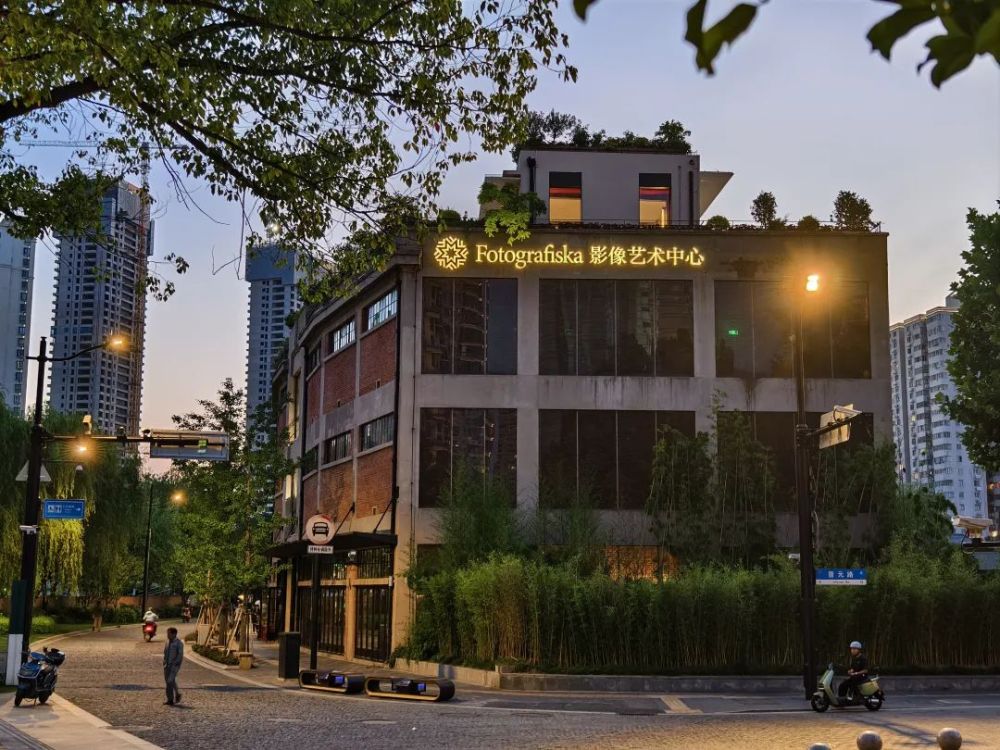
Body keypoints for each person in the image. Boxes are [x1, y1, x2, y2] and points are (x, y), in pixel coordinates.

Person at [163, 626, 184, 706]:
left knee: (170, 681)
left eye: (169, 634)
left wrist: (175, 663)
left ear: (174, 634)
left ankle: (175, 696)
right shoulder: (167, 642)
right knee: (169, 682)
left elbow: (180, 655)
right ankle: (171, 698)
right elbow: (165, 652)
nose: (167, 635)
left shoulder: (179, 643)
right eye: (167, 634)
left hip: (174, 666)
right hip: (166, 665)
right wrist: (164, 662)